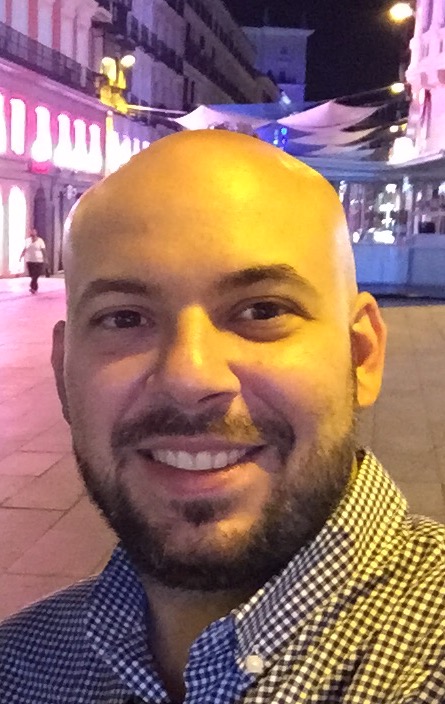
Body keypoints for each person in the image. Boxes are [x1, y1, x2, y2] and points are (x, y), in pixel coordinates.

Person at [1, 130, 444, 703]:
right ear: (64, 374)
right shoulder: (19, 667)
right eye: (125, 318)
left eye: (262, 310)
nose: (189, 379)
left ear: (361, 355)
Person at [19, 228, 47, 293]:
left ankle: (32, 286)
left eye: (33, 231)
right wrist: (21, 255)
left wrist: (45, 258)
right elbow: (25, 248)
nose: (32, 233)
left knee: (36, 274)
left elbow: (43, 250)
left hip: (39, 260)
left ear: (36, 232)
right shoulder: (27, 240)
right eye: (31, 232)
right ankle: (35, 287)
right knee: (32, 275)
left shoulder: (40, 241)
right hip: (30, 260)